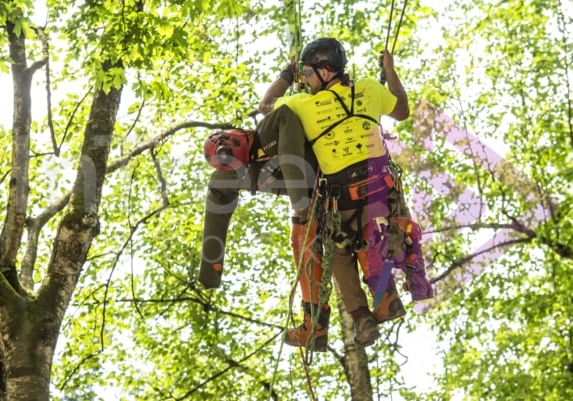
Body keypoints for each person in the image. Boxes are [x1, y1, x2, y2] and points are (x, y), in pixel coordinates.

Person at [256, 37, 433, 350]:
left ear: (325, 71)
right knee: (370, 236)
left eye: (309, 75)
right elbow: (402, 110)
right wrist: (390, 72)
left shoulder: (303, 105)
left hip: (345, 201)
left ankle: (363, 315)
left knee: (337, 252)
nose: (305, 82)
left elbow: (266, 106)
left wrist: (289, 73)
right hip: (382, 195)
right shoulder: (369, 88)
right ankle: (387, 296)